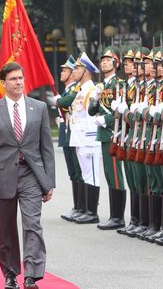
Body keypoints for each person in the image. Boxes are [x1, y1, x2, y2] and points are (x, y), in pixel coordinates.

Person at [0, 62, 55, 289]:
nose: (19, 82)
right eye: (13, 79)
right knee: (5, 227)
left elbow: (46, 148)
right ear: (3, 83)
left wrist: (48, 182)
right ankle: (10, 275)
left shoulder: (38, 108)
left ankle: (31, 275)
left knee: (32, 224)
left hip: (31, 174)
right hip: (2, 177)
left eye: (21, 78)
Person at [88, 46, 127, 230]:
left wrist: (107, 119)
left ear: (116, 63)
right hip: (103, 134)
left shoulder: (119, 84)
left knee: (115, 174)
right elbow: (91, 112)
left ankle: (118, 217)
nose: (104, 62)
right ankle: (114, 215)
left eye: (108, 59)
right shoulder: (101, 85)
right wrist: (94, 98)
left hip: (114, 133)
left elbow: (121, 111)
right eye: (102, 60)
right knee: (109, 174)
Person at [69, 52, 102, 224]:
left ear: (86, 72)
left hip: (89, 140)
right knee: (86, 174)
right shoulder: (81, 91)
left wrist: (90, 139)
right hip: (79, 138)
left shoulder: (91, 90)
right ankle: (88, 210)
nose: (74, 71)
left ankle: (92, 212)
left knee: (93, 175)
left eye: (78, 68)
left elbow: (91, 117)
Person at [54, 56, 85, 222]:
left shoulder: (75, 89)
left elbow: (66, 102)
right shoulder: (69, 89)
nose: (62, 73)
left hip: (75, 132)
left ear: (73, 74)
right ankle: (77, 206)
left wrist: (59, 101)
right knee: (72, 172)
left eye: (65, 70)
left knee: (78, 171)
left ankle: (83, 206)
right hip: (67, 132)